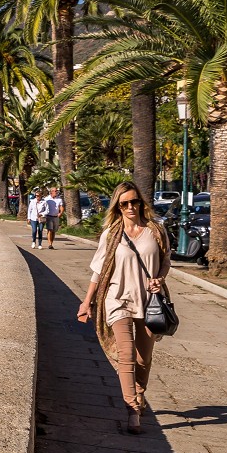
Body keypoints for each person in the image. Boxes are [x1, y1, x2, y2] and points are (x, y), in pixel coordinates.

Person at [76, 182, 171, 434]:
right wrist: (87, 302)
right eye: (124, 203)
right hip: (117, 299)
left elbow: (165, 261)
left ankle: (139, 395)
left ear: (141, 203)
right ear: (117, 207)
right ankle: (132, 409)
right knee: (126, 355)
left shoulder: (156, 231)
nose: (130, 207)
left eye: (134, 202)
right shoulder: (112, 234)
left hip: (149, 301)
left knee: (143, 358)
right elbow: (98, 270)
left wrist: (160, 279)